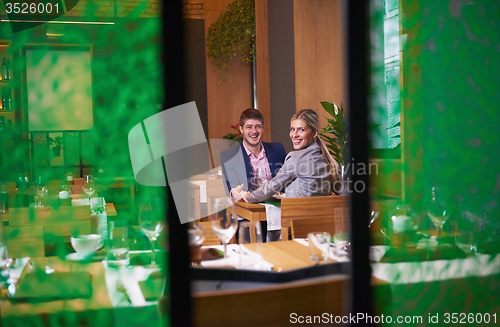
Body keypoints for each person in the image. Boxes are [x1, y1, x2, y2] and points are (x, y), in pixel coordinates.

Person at [242, 109, 343, 239]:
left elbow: (272, 187)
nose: (294, 135)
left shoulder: (295, 158)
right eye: (292, 129)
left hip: (297, 231)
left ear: (314, 133)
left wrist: (249, 197)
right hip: (323, 233)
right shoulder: (329, 160)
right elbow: (345, 193)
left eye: (301, 130)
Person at [220, 108, 287, 241]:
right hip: (248, 215)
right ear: (241, 129)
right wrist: (235, 193)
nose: (254, 131)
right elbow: (231, 186)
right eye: (249, 127)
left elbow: (287, 181)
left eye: (258, 126)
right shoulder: (229, 155)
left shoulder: (278, 149)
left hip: (279, 212)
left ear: (263, 128)